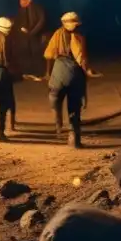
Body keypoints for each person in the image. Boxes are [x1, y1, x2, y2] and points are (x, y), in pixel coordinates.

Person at [43, 12, 97, 148]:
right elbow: (82, 60)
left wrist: (48, 73)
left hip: (58, 70)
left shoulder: (57, 35)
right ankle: (74, 139)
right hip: (74, 72)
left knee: (54, 96)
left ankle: (57, 121)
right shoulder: (78, 37)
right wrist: (87, 74)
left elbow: (49, 55)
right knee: (74, 107)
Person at [13, 0, 46, 76]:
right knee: (26, 53)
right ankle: (28, 71)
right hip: (24, 37)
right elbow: (19, 22)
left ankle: (38, 73)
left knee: (36, 53)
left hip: (35, 35)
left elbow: (41, 21)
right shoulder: (21, 10)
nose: (21, 1)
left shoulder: (37, 8)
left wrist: (32, 32)